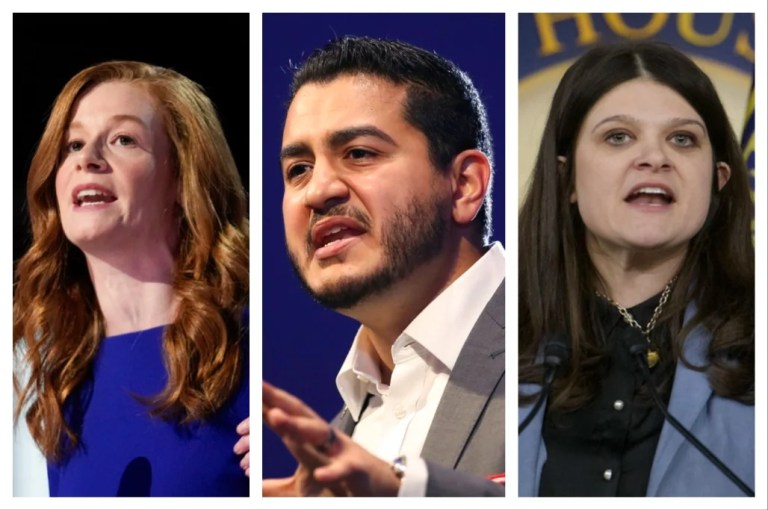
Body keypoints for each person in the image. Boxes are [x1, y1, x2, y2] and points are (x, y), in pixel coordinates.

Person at [260, 36, 505, 497]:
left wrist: (407, 492)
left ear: (464, 185)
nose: (318, 191)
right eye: (298, 170)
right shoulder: (339, 443)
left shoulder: (565, 342)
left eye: (359, 153)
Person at [518, 41, 754, 497]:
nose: (654, 158)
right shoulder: (502, 335)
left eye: (682, 139)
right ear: (566, 178)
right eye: (618, 137)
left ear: (718, 180)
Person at [12, 61, 250, 496]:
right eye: (72, 144)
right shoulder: (54, 379)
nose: (87, 160)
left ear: (184, 178)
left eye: (124, 139)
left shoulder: (249, 346)